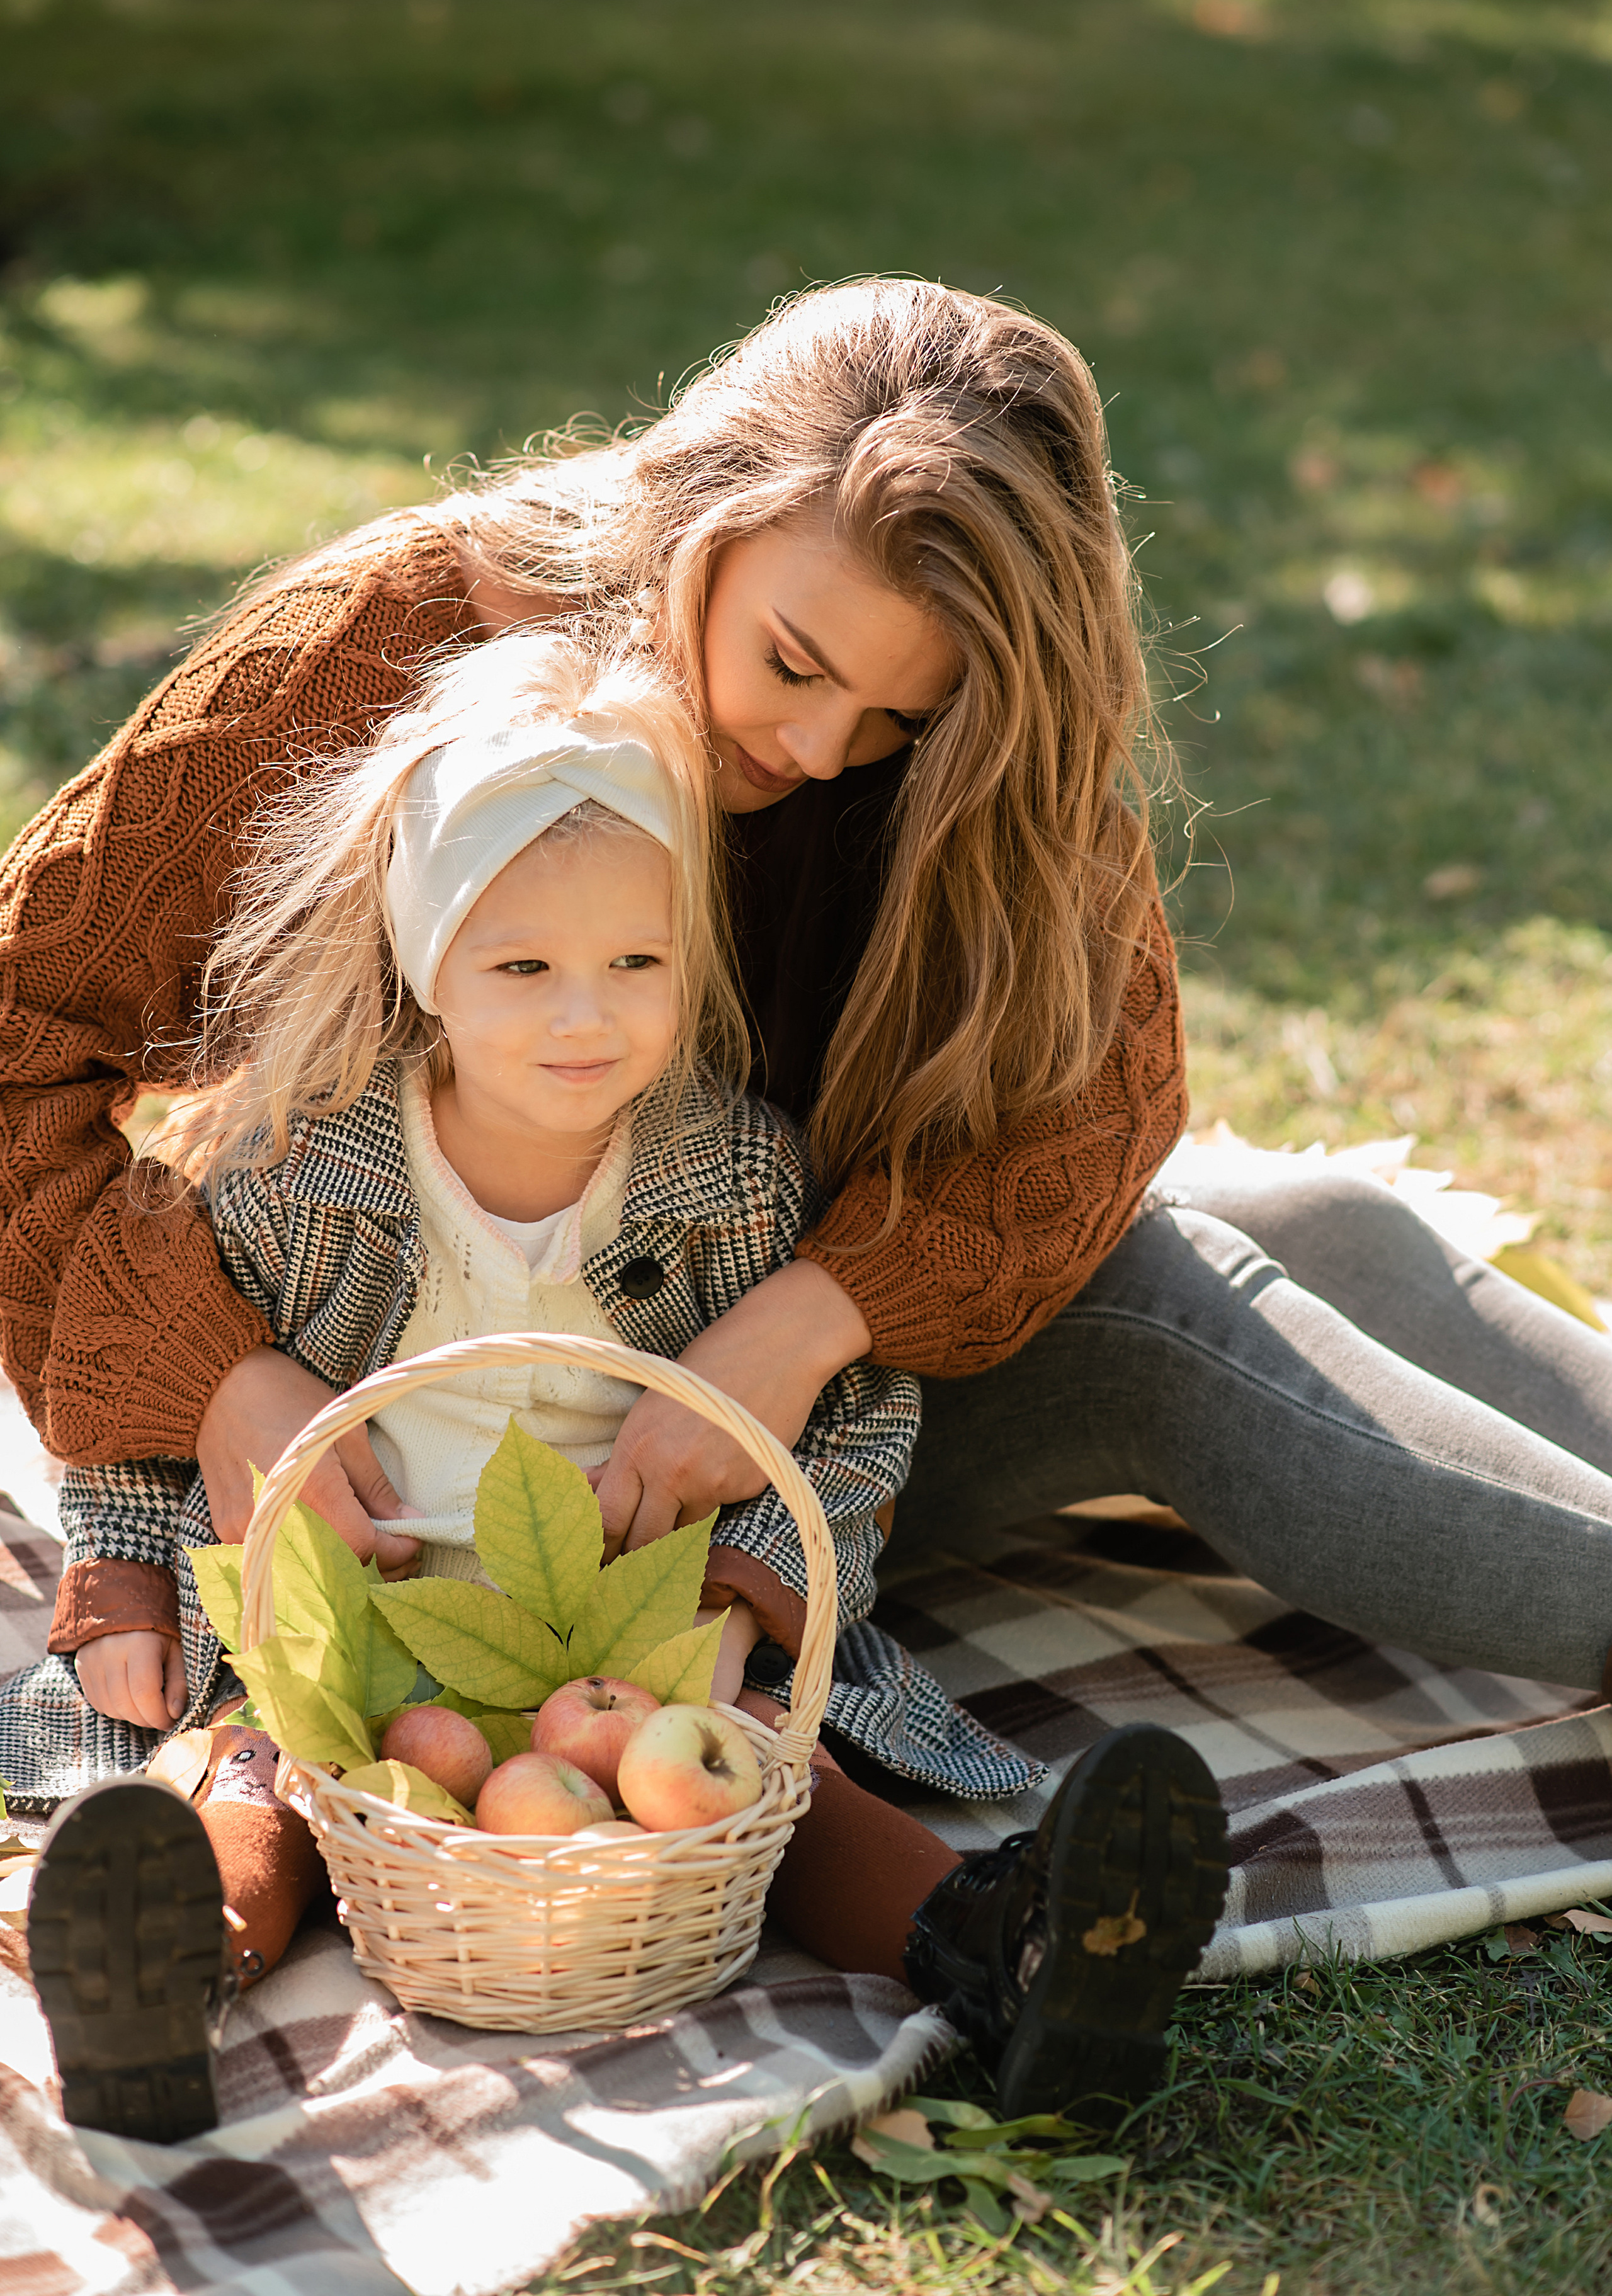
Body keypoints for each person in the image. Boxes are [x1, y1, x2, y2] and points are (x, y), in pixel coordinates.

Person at [16, 638, 1230, 2143]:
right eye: (522, 967)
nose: (584, 1017)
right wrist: (123, 1587)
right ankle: (165, 1974)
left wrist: (739, 1601)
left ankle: (1017, 1957)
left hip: (637, 1620)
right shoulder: (294, 1169)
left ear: (688, 957)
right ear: (421, 957)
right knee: (273, 1776)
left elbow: (843, 1426)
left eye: (636, 965)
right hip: (355, 1608)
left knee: (763, 1798)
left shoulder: (725, 1174)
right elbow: (145, 1379)